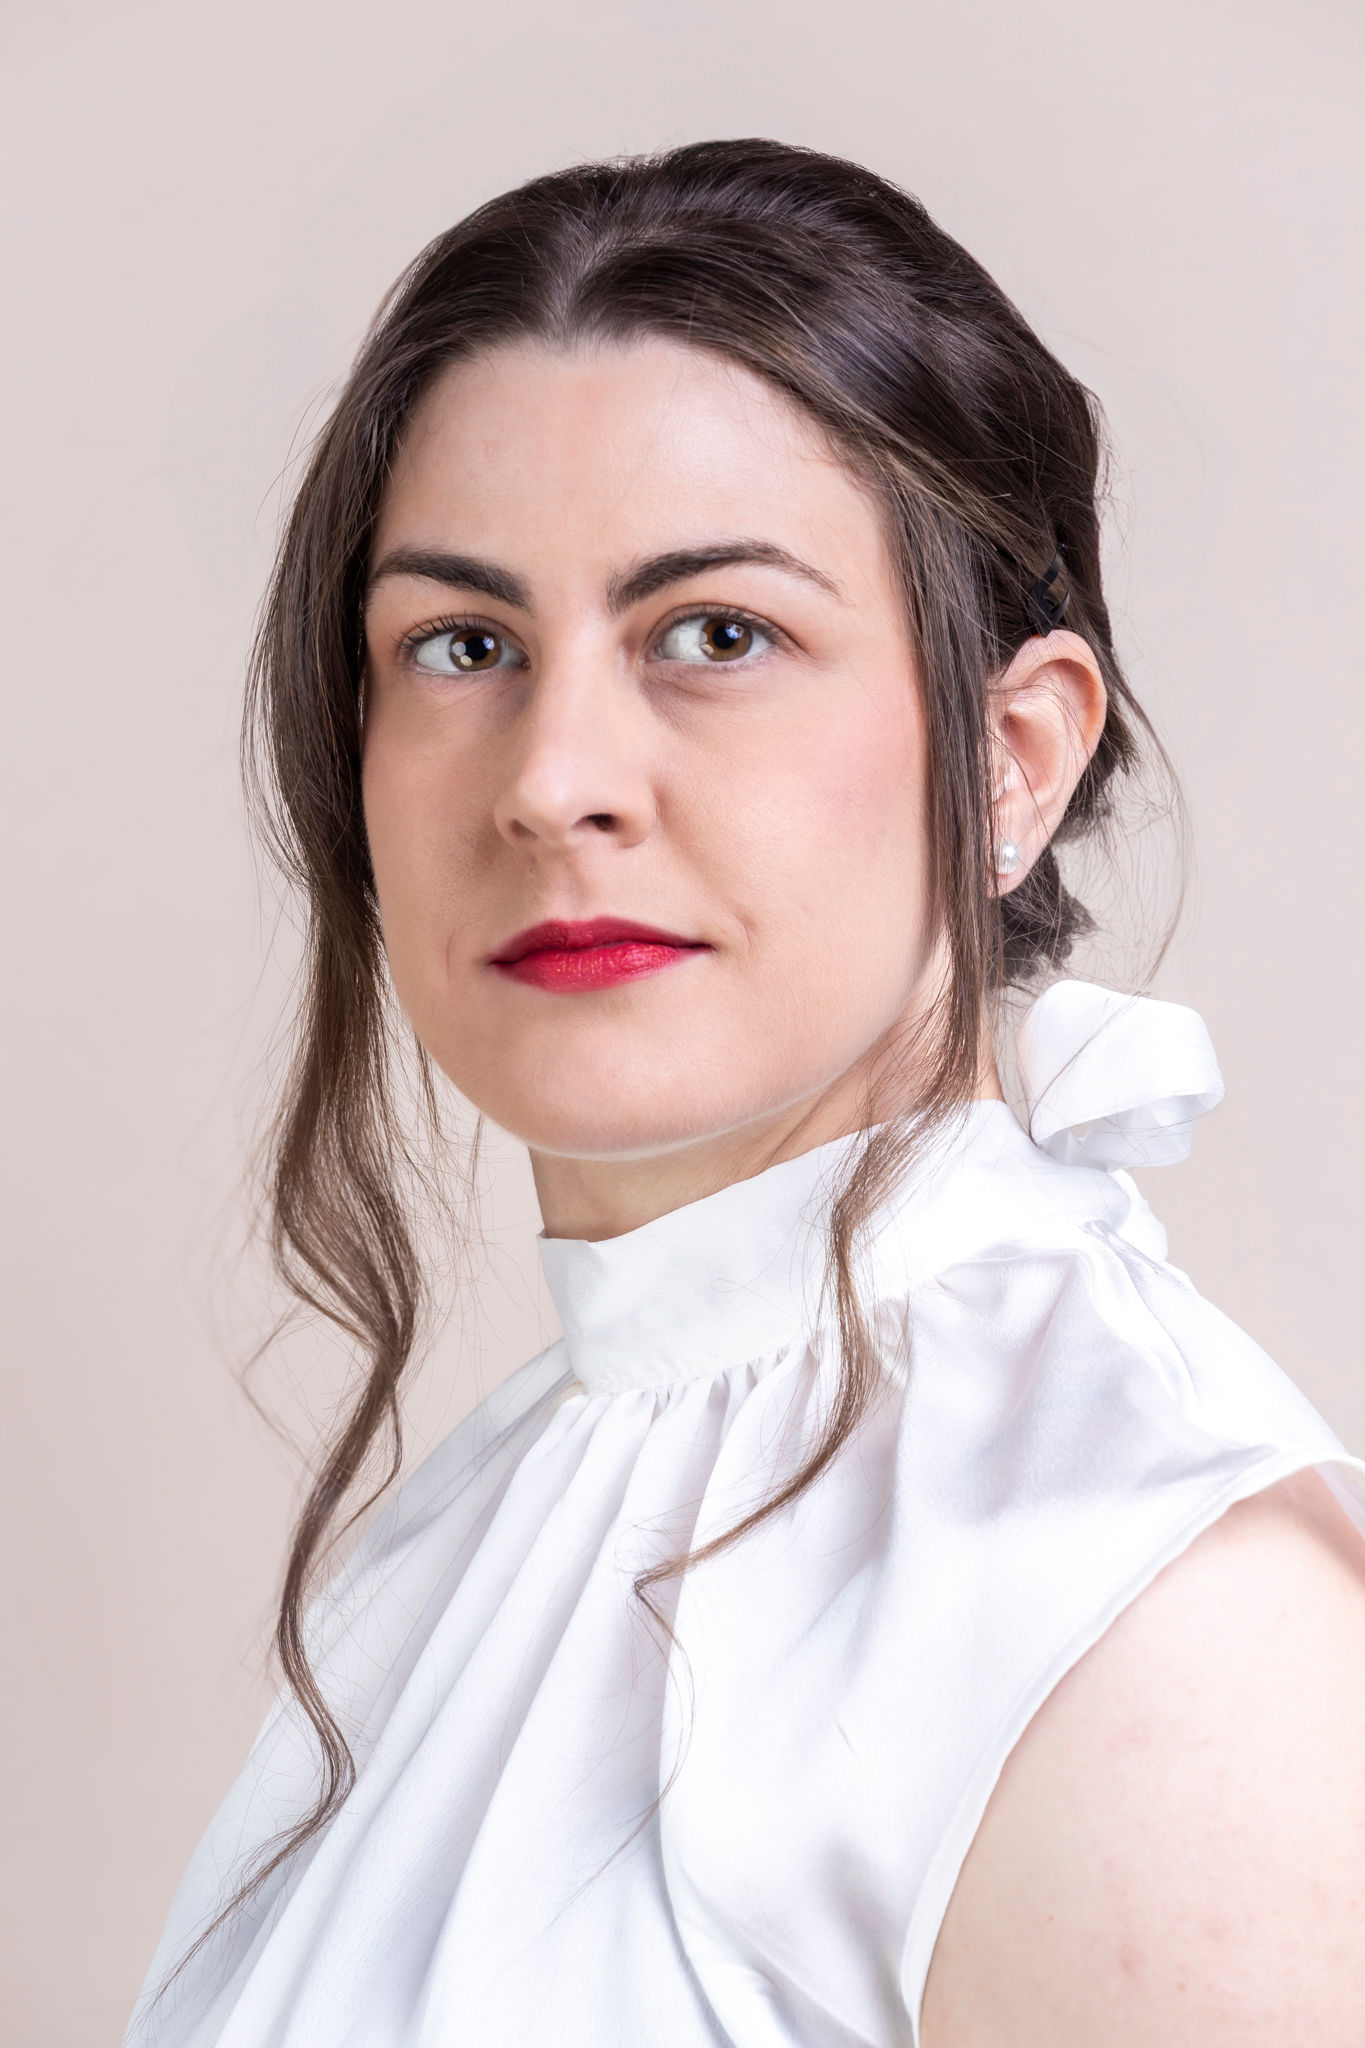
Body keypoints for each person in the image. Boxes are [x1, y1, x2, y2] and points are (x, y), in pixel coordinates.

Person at [127, 139, 1365, 2047]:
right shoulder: (504, 1505)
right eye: (462, 645)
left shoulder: (1163, 1633)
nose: (552, 779)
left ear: (1013, 757)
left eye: (717, 633)